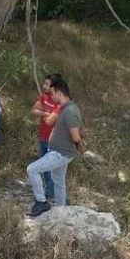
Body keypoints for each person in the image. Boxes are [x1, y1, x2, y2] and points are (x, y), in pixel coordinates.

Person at [26, 76, 83, 217]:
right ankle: (61, 209)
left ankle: (41, 202)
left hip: (60, 153)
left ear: (59, 93)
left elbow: (76, 136)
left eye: (53, 93)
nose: (51, 96)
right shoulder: (67, 108)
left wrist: (79, 147)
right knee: (59, 181)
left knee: (32, 169)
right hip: (60, 151)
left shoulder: (69, 111)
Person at [31, 73, 62, 202]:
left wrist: (45, 114)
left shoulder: (59, 102)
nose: (44, 86)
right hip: (43, 137)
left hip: (53, 141)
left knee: (52, 169)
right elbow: (34, 110)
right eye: (44, 84)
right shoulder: (43, 97)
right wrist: (45, 112)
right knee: (44, 168)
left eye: (47, 85)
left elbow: (51, 120)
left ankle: (55, 194)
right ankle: (49, 192)